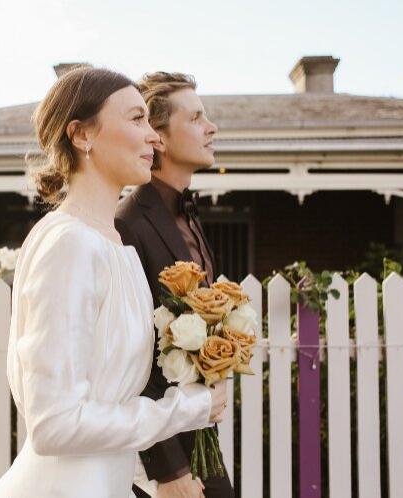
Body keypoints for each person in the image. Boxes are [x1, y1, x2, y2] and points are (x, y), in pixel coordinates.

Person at [0, 67, 227, 498]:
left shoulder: (116, 245)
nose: (153, 136)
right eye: (136, 120)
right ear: (82, 135)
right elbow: (55, 424)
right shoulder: (69, 244)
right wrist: (183, 408)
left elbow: (110, 402)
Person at [115, 71, 234, 498]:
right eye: (197, 117)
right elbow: (133, 354)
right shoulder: (128, 223)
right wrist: (169, 471)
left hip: (199, 432)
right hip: (161, 452)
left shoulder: (189, 216)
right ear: (158, 138)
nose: (211, 127)